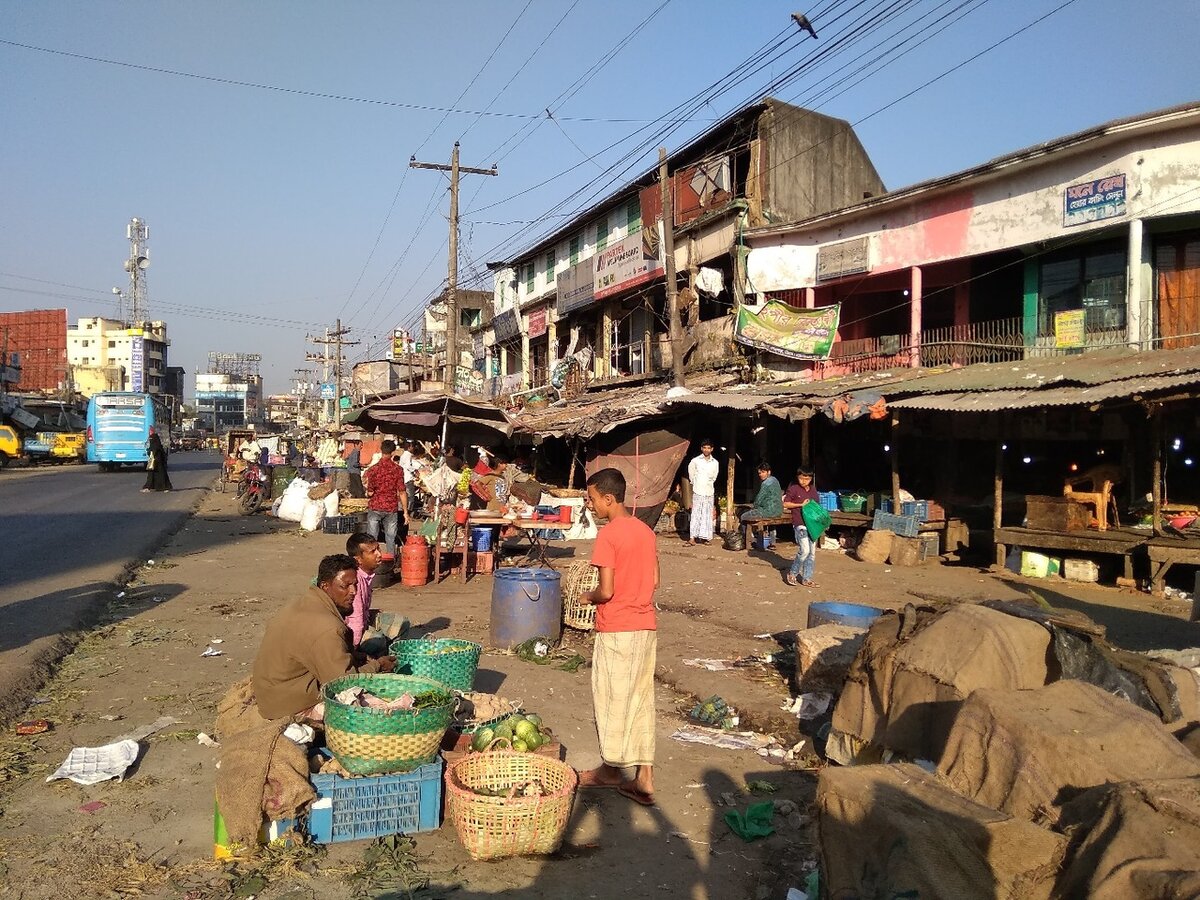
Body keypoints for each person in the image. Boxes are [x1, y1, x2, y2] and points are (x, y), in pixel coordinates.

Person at [578, 467, 658, 807]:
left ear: (609, 499)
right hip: (645, 626)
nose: (590, 505)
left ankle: (611, 770)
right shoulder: (645, 531)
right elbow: (654, 579)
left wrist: (588, 597)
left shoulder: (608, 535)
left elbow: (606, 591)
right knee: (641, 699)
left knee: (611, 699)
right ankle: (644, 776)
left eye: (592, 499)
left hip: (618, 628)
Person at [251, 554, 395, 720]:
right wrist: (377, 666)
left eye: (355, 585)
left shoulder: (301, 603)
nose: (353, 592)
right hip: (285, 706)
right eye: (345, 586)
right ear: (325, 586)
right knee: (374, 710)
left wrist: (361, 657)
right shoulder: (329, 628)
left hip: (271, 691)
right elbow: (344, 683)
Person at [364, 439, 408, 558]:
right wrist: (405, 512)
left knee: (372, 540)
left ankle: (372, 562)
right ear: (393, 452)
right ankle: (390, 564)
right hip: (391, 508)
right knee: (390, 539)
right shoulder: (398, 470)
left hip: (375, 507)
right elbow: (402, 492)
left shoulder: (373, 470)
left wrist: (369, 492)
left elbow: (370, 492)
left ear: (381, 450)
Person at [782, 467, 820, 587]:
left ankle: (807, 578)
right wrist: (801, 504)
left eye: (807, 478)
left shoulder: (813, 490)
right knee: (805, 551)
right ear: (797, 477)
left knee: (812, 553)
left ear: (811, 479)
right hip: (799, 524)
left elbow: (816, 506)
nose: (804, 481)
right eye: (801, 478)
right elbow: (785, 503)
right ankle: (792, 573)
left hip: (812, 525)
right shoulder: (793, 489)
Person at [344, 532, 381, 647]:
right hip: (351, 631)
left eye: (378, 549)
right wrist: (354, 651)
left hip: (363, 621)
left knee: (401, 623)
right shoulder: (356, 582)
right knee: (378, 641)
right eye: (372, 552)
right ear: (358, 560)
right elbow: (356, 620)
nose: (379, 554)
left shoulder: (365, 575)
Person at [740, 461, 784, 545]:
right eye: (759, 473)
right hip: (778, 511)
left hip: (767, 511)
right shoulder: (775, 480)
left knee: (743, 516)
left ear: (769, 472)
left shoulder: (766, 483)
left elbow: (759, 500)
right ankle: (772, 542)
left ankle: (748, 540)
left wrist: (755, 507)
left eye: (763, 472)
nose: (761, 474)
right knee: (771, 520)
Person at [685, 439, 719, 545]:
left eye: (708, 448)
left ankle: (705, 538)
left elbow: (714, 477)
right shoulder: (695, 461)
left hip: (709, 491)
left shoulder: (715, 463)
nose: (706, 450)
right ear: (701, 448)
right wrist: (696, 483)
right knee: (696, 514)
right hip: (698, 491)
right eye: (704, 447)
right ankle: (692, 538)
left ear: (712, 449)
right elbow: (691, 474)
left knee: (707, 514)